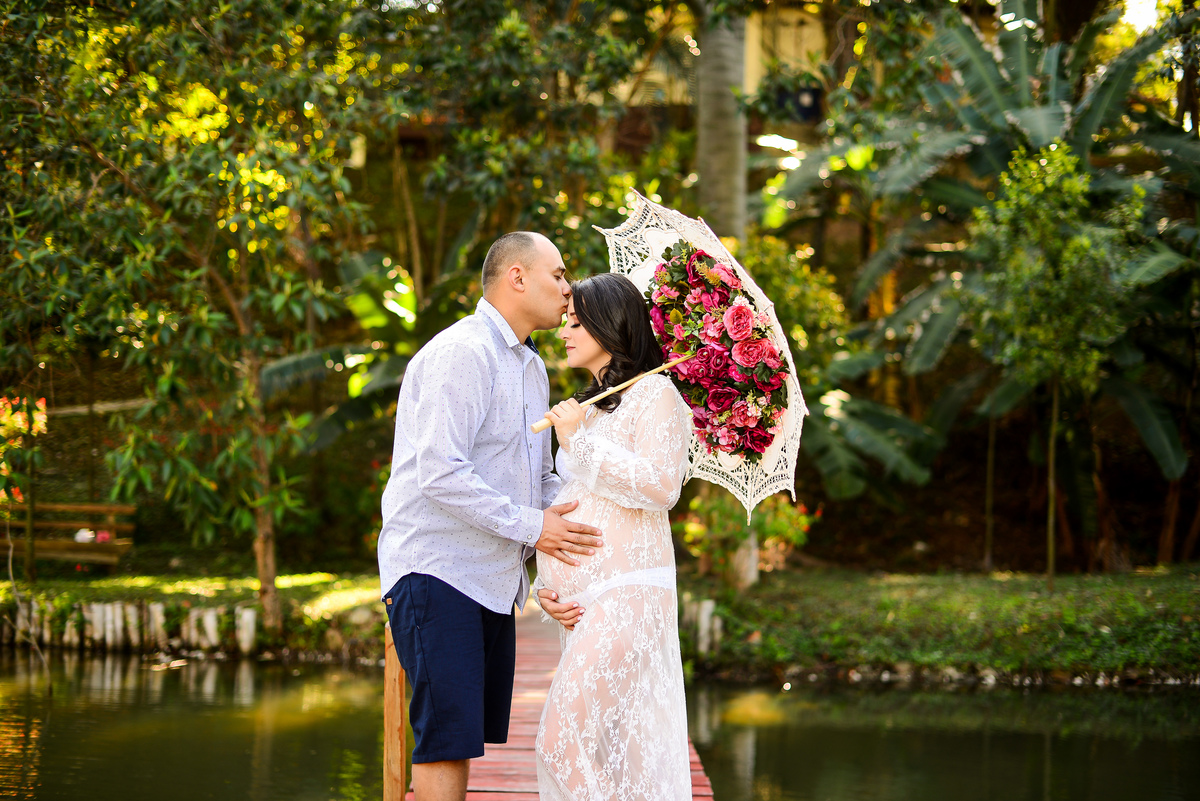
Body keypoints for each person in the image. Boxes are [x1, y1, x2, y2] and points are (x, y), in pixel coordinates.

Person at [378, 231, 606, 801]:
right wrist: (537, 528)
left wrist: (587, 505)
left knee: (465, 738)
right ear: (517, 278)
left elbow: (537, 479)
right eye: (557, 274)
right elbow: (440, 472)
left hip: (490, 580)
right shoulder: (463, 352)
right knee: (446, 742)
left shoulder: (532, 367)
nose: (568, 288)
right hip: (439, 571)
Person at [534, 272, 694, 801]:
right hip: (586, 599)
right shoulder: (596, 402)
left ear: (610, 323)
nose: (564, 331)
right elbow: (573, 499)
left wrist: (578, 440)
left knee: (560, 744)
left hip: (629, 592)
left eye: (577, 321)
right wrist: (546, 586)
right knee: (602, 747)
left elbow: (662, 487)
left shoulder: (656, 394)